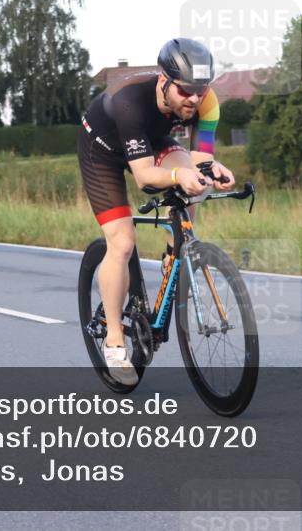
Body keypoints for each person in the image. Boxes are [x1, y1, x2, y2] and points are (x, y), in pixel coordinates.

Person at [78, 38, 235, 384]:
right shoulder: (129, 101)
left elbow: (200, 160)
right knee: (122, 242)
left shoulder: (206, 102)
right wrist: (177, 176)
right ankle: (115, 340)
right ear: (164, 80)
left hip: (149, 140)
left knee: (194, 182)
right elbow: (145, 178)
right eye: (185, 91)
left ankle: (172, 253)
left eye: (200, 90)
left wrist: (211, 171)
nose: (194, 99)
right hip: (102, 150)